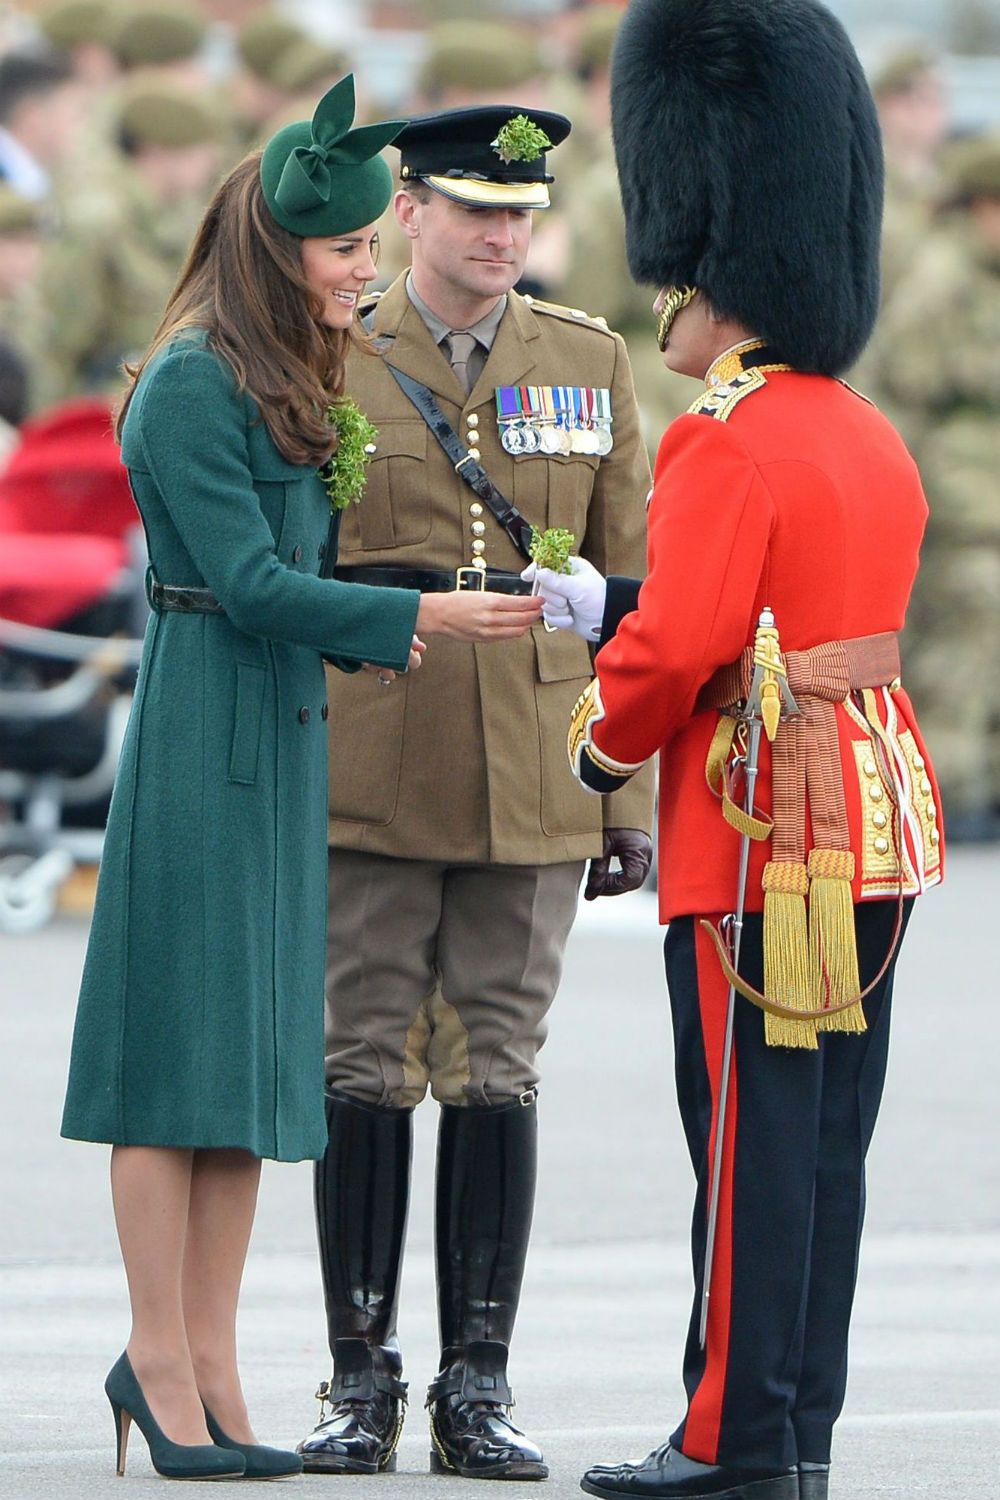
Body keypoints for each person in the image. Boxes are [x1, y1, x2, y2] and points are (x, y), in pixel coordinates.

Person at [59, 74, 541, 1483]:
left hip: (276, 733)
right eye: (346, 256)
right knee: (170, 1076)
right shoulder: (196, 381)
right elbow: (256, 587)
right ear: (283, 250)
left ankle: (209, 1365)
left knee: (250, 1076)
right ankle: (157, 1359)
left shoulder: (285, 369)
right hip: (211, 727)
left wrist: (443, 593)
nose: (364, 277)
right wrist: (422, 620)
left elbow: (308, 575)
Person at [533, 3, 944, 1498]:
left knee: (746, 1157)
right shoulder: (865, 432)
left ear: (710, 278)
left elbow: (678, 653)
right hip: (873, 826)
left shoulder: (725, 433)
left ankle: (728, 1438)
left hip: (760, 834)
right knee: (823, 1154)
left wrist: (593, 742)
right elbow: (798, 615)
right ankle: (797, 1431)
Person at [295, 103, 654, 1479]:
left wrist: (623, 801)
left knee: (497, 1067)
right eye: (475, 210)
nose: (504, 235)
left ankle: (478, 1384)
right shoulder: (333, 352)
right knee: (362, 1061)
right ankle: (356, 1374)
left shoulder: (588, 358)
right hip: (374, 757)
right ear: (408, 214)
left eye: (521, 213)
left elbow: (633, 600)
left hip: (535, 771)